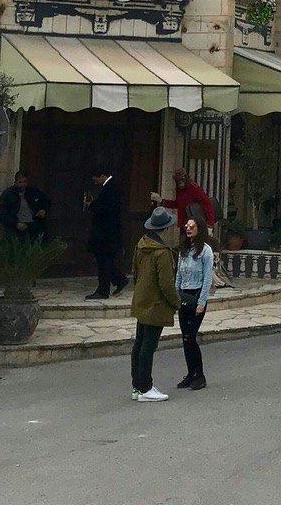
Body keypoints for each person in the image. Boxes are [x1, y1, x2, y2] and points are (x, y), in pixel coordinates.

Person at [129, 206, 181, 402]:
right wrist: (177, 303)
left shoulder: (141, 245)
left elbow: (134, 271)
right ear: (166, 228)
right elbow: (166, 284)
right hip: (156, 304)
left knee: (139, 344)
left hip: (142, 299)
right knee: (148, 347)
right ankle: (146, 388)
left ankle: (137, 386)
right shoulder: (163, 253)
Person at [174, 215, 215, 391]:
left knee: (191, 337)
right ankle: (190, 374)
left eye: (192, 226)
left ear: (199, 229)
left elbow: (207, 278)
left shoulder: (205, 251)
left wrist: (202, 301)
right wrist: (175, 296)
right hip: (184, 296)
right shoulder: (184, 250)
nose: (188, 229)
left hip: (197, 295)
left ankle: (200, 375)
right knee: (185, 338)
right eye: (187, 226)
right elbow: (179, 275)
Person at [85, 168, 127, 300]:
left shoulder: (111, 188)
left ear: (102, 176)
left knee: (104, 261)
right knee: (105, 260)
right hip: (107, 233)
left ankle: (103, 290)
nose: (96, 183)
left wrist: (91, 205)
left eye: (96, 179)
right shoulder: (110, 187)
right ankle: (119, 279)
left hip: (106, 234)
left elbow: (104, 208)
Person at [0, 171, 51, 244]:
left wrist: (43, 210)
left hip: (34, 226)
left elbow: (46, 201)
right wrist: (16, 223)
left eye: (25, 182)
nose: (23, 184)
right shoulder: (8, 194)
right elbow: (2, 214)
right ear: (15, 182)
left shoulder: (33, 192)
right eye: (20, 182)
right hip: (16, 229)